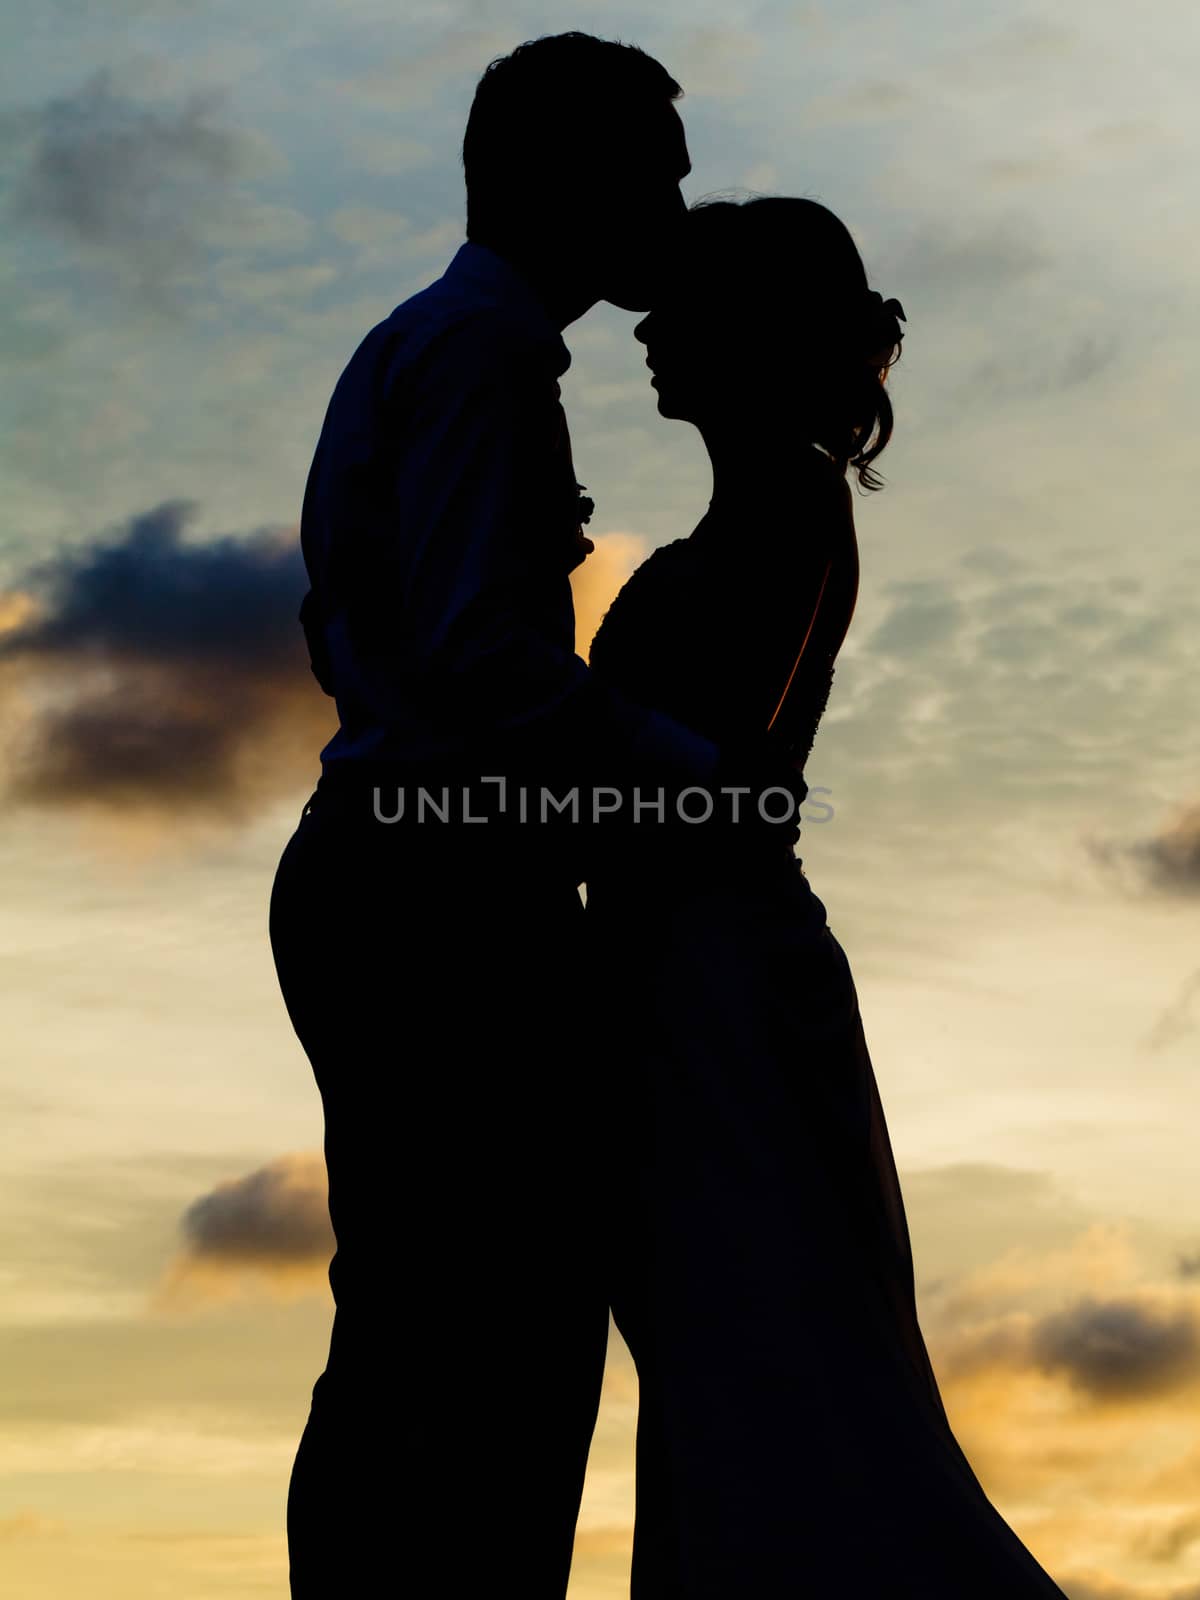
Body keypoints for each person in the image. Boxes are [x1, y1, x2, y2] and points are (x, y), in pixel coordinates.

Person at [267, 35, 807, 1598]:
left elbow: (355, 628)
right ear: (571, 178)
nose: (684, 195)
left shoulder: (426, 345)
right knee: (495, 1326)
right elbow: (483, 659)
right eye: (658, 164)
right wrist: (699, 786)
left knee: (424, 1316)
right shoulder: (485, 360)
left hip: (397, 865)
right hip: (436, 890)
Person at [584, 195, 1072, 1597]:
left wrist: (545, 724)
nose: (654, 338)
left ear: (753, 339)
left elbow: (737, 784)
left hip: (719, 974)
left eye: (686, 317)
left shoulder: (790, 504)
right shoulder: (750, 509)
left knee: (766, 1334)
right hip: (675, 962)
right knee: (720, 1339)